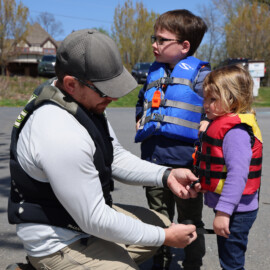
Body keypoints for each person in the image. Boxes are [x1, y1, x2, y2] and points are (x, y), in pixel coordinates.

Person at [7, 29, 200, 270]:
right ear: (71, 84)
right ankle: (41, 266)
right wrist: (165, 238)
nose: (114, 98)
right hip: (59, 240)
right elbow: (94, 219)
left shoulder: (81, 101)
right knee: (157, 238)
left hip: (79, 218)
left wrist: (166, 175)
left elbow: (114, 156)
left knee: (159, 224)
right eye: (106, 90)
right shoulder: (59, 131)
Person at [135, 9, 211, 270]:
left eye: (161, 40)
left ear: (184, 46)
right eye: (153, 38)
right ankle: (160, 263)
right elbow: (141, 100)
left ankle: (192, 264)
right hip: (153, 163)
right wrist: (139, 116)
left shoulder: (201, 76)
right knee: (158, 220)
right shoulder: (153, 72)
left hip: (186, 165)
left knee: (189, 221)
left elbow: (219, 104)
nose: (154, 45)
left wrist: (209, 120)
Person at [195, 65, 263, 270]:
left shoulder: (235, 133)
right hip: (232, 207)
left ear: (233, 100)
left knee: (231, 263)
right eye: (205, 98)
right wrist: (205, 184)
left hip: (237, 211)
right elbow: (220, 170)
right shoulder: (222, 124)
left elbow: (237, 176)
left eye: (213, 99)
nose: (206, 104)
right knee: (228, 259)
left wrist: (223, 213)